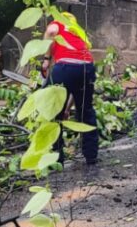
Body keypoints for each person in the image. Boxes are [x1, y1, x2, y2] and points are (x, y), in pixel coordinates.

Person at [42, 12, 98, 165]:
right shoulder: (78, 33)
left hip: (65, 67)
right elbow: (75, 87)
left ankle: (57, 157)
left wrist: (46, 59)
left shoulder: (57, 24)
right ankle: (91, 155)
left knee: (54, 112)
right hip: (87, 68)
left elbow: (51, 32)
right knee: (86, 110)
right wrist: (68, 108)